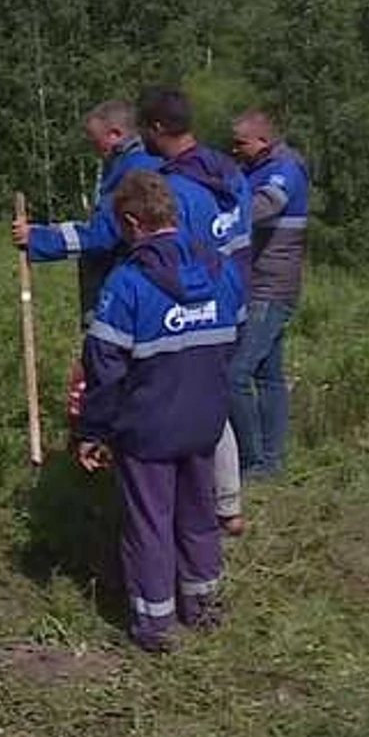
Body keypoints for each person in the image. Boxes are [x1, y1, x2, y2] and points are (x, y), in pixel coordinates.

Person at [74, 169, 240, 653]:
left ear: (131, 222)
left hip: (147, 428)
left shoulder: (127, 283)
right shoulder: (222, 270)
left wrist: (92, 430)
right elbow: (236, 337)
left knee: (149, 524)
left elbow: (104, 367)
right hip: (205, 420)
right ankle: (204, 606)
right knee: (199, 515)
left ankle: (154, 625)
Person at [138, 87, 252, 536]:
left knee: (192, 405)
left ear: (158, 129)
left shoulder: (179, 190)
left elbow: (176, 257)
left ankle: (194, 506)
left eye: (146, 129)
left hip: (199, 308)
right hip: (236, 298)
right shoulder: (229, 173)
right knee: (215, 399)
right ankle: (229, 505)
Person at [10, 100, 162, 431]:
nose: (93, 146)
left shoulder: (133, 170)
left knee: (115, 370)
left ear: (115, 133)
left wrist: (38, 238)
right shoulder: (128, 165)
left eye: (95, 138)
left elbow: (105, 233)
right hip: (134, 285)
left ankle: (109, 442)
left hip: (123, 287)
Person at [227, 109, 311, 478]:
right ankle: (272, 461)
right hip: (255, 282)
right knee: (267, 375)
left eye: (240, 143)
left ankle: (252, 459)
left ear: (262, 140)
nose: (235, 150)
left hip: (271, 286)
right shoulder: (251, 169)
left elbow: (266, 205)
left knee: (235, 373)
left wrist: (218, 220)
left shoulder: (285, 168)